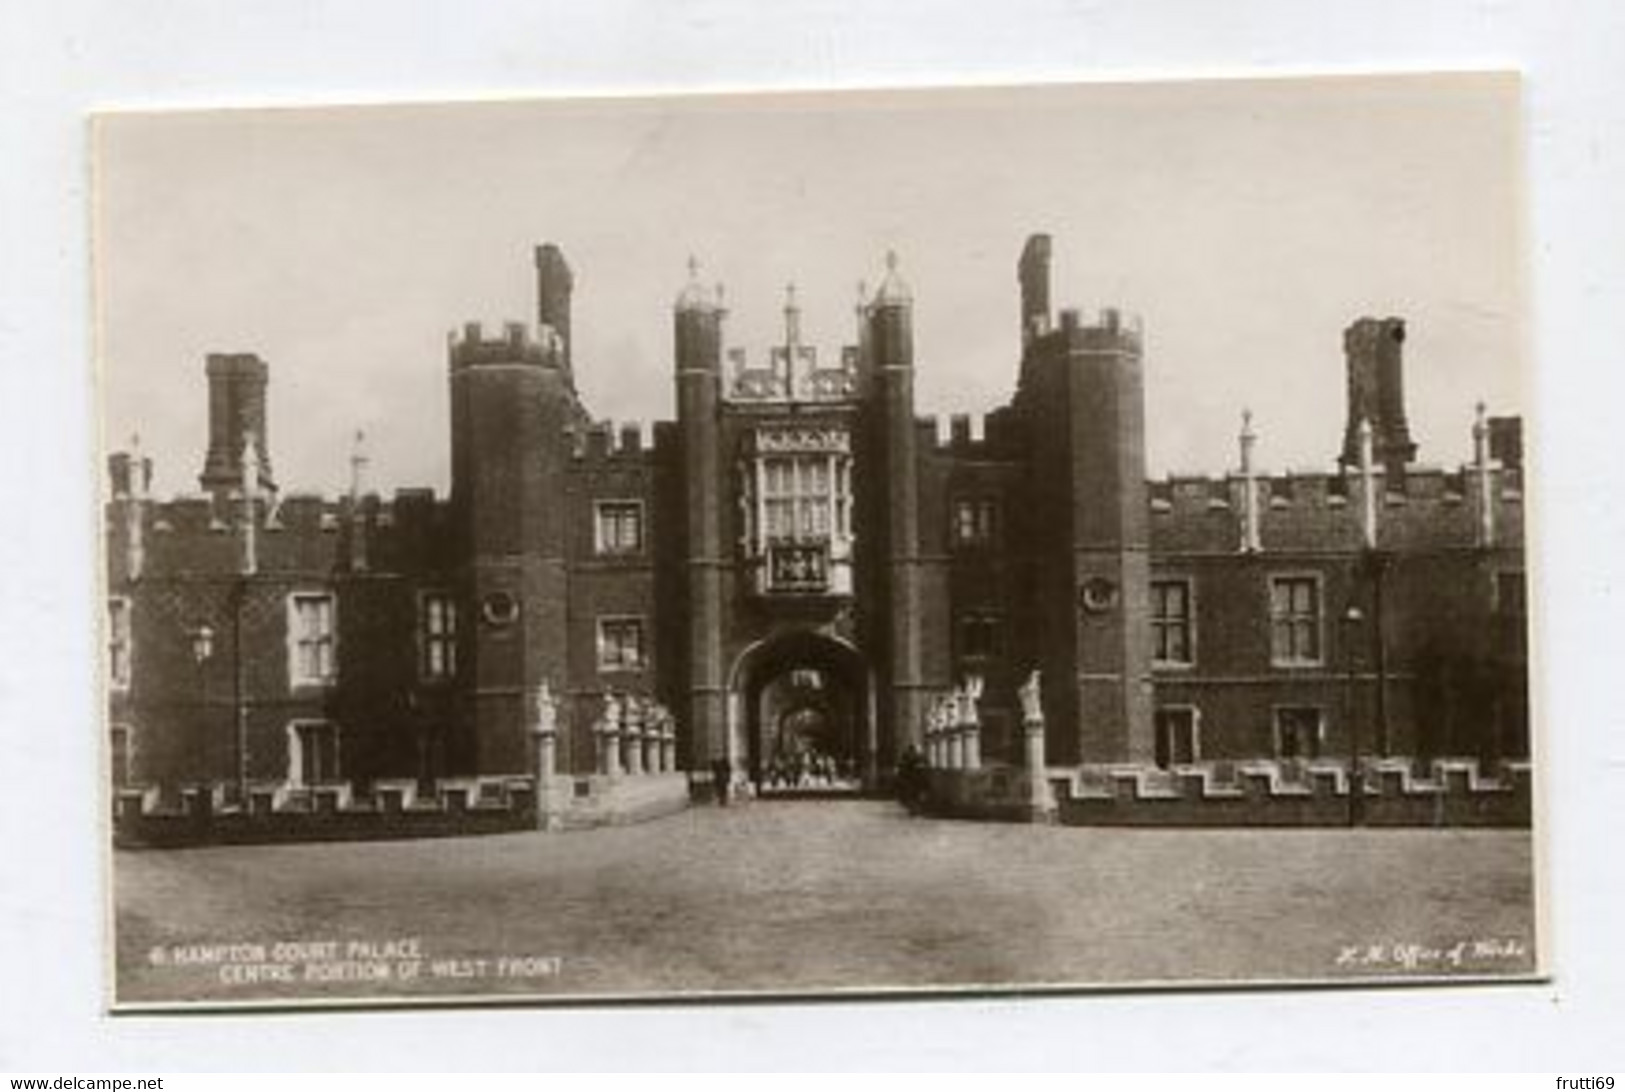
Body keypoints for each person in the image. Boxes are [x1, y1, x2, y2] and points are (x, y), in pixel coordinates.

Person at [896, 743, 928, 814]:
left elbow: (903, 768)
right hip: (915, 779)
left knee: (914, 795)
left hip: (913, 780)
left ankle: (915, 809)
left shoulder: (911, 758)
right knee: (915, 795)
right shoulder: (918, 758)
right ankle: (915, 809)